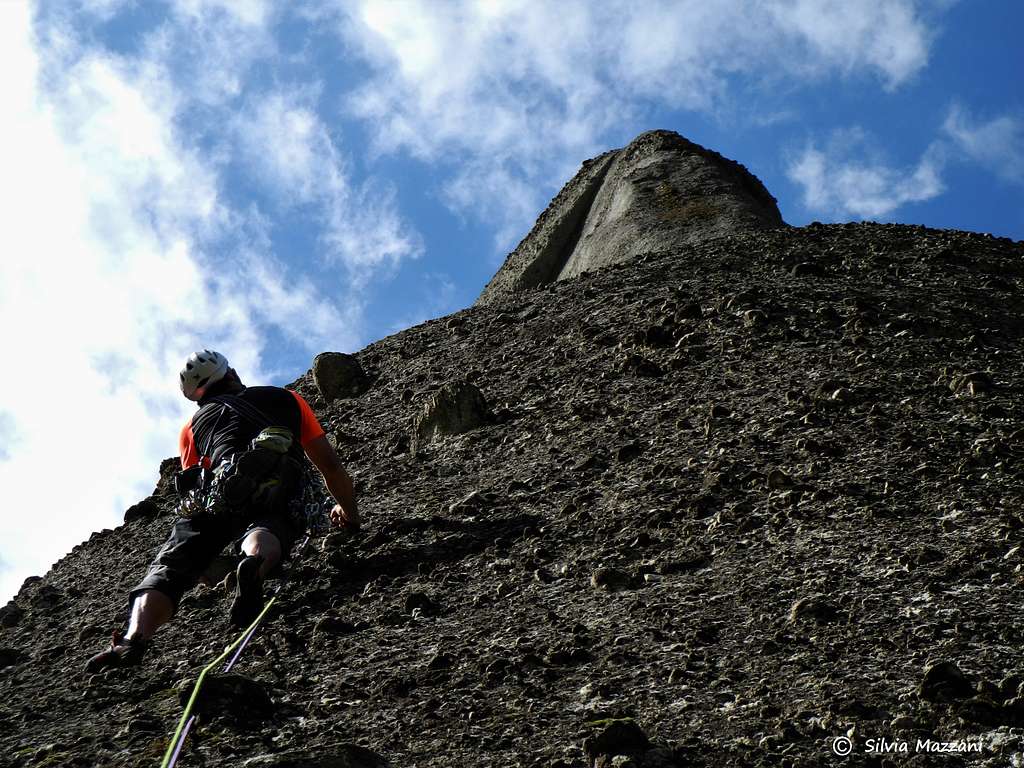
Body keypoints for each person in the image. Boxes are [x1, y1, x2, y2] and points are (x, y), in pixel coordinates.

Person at [86, 350, 358, 672]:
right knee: (270, 525)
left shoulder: (191, 428)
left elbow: (194, 487)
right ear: (231, 374)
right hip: (280, 481)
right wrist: (349, 513)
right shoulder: (285, 399)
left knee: (173, 564)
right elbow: (330, 464)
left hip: (219, 490)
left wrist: (204, 565)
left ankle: (133, 639)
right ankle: (253, 565)